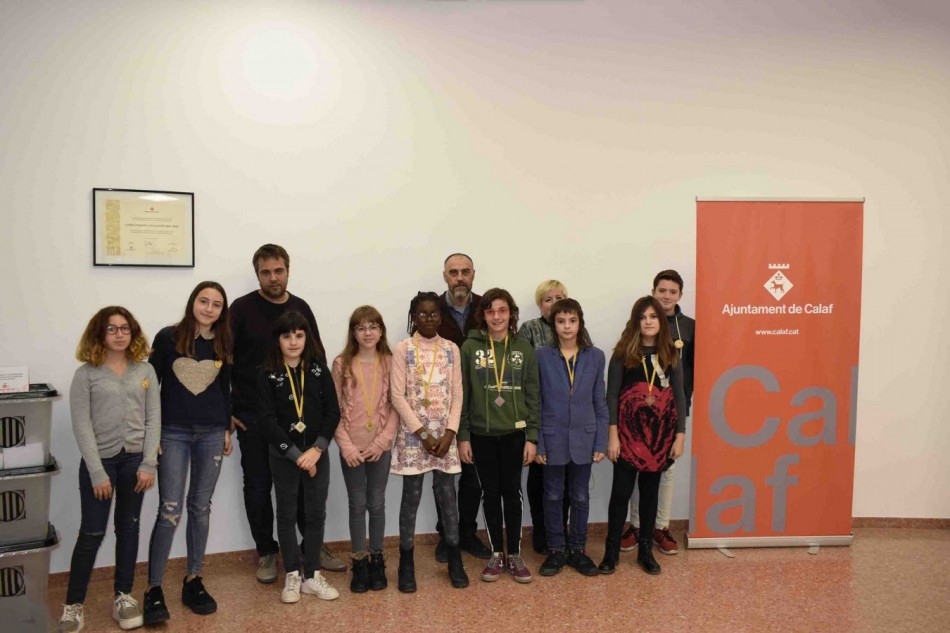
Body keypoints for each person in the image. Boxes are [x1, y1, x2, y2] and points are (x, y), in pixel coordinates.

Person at [229, 244, 345, 583]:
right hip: (254, 417)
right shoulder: (241, 309)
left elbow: (317, 357)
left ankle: (312, 547)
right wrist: (227, 408)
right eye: (265, 272)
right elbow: (223, 358)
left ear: (288, 271)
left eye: (278, 270)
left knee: (306, 487)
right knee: (258, 486)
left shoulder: (301, 308)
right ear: (257, 274)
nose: (273, 278)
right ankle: (267, 552)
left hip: (300, 419)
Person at [60, 306, 160, 633]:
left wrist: (148, 463)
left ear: (133, 333)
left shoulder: (145, 370)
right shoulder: (86, 374)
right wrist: (96, 472)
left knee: (128, 528)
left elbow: (153, 419)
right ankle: (73, 605)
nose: (119, 334)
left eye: (125, 328)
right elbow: (82, 425)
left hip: (135, 463)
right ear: (99, 334)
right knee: (91, 532)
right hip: (99, 464)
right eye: (111, 329)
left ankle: (123, 596)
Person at [142, 282, 233, 625]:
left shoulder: (224, 341)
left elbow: (225, 388)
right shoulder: (168, 337)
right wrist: (152, 434)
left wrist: (226, 428)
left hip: (211, 433)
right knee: (169, 510)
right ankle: (153, 588)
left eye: (216, 304)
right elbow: (149, 386)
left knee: (200, 507)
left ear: (222, 311)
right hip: (173, 433)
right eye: (203, 301)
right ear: (192, 302)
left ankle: (193, 579)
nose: (209, 308)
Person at [257, 311, 341, 604]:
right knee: (287, 514)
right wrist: (296, 456)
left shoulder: (318, 369)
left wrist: (317, 449)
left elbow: (333, 412)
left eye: (299, 335)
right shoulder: (267, 373)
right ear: (277, 340)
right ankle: (292, 573)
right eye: (286, 336)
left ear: (307, 338)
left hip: (317, 455)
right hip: (284, 457)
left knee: (316, 513)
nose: (293, 342)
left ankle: (312, 575)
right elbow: (266, 420)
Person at [599, 296, 687, 576]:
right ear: (635, 321)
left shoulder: (671, 354)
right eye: (643, 317)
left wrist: (680, 435)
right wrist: (613, 436)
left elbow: (679, 396)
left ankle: (645, 552)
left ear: (661, 321)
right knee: (620, 495)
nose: (648, 322)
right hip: (627, 436)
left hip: (659, 438)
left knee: (650, 496)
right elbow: (611, 396)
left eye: (653, 316)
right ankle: (611, 553)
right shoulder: (623, 354)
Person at [458, 288, 539, 584]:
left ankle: (514, 553)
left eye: (502, 311)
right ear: (483, 315)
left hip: (515, 433)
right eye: (490, 311)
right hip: (481, 434)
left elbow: (533, 394)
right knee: (490, 493)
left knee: (512, 493)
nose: (496, 317)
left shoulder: (524, 349)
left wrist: (532, 436)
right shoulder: (470, 348)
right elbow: (462, 394)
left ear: (511, 314)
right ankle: (496, 553)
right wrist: (463, 435)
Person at [389, 292, 469, 592]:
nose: (428, 319)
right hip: (415, 437)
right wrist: (422, 433)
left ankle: (455, 559)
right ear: (414, 317)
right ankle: (406, 563)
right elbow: (397, 395)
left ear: (441, 316)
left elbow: (458, 394)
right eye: (422, 314)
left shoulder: (450, 349)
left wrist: (450, 432)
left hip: (445, 437)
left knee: (448, 497)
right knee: (410, 498)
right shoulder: (403, 349)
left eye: (434, 313)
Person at [621, 270, 695, 555]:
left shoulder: (689, 327)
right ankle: (637, 525)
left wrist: (682, 406)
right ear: (653, 292)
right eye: (661, 290)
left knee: (667, 469)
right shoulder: (638, 323)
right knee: (638, 464)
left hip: (672, 411)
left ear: (680, 295)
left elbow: (692, 369)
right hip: (639, 413)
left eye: (672, 292)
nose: (666, 296)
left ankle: (660, 527)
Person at [517, 280, 592, 553]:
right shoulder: (529, 330)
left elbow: (586, 375)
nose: (553, 303)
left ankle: (566, 536)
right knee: (543, 487)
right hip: (544, 420)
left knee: (572, 488)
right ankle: (545, 535)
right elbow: (523, 373)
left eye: (559, 297)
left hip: (572, 427)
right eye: (548, 299)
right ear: (540, 304)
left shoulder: (581, 337)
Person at [535, 299, 607, 577]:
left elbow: (599, 402)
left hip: (584, 439)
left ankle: (577, 549)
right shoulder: (541, 356)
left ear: (580, 323)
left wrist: (600, 442)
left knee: (579, 496)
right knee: (552, 495)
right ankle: (556, 549)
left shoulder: (595, 356)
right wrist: (539, 443)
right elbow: (537, 403)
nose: (567, 326)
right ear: (553, 325)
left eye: (572, 321)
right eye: (561, 321)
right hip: (552, 438)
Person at [331, 306, 398, 593]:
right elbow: (332, 409)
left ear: (381, 331)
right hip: (352, 449)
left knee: (377, 503)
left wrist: (382, 441)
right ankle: (359, 560)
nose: (367, 332)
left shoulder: (391, 362)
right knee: (357, 504)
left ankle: (377, 558)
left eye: (373, 326)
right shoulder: (341, 363)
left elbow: (396, 406)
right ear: (353, 333)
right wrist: (346, 446)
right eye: (361, 327)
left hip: (380, 447)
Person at [434, 253, 491, 561]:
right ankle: (447, 536)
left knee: (473, 477)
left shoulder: (487, 308)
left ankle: (467, 533)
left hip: (479, 406)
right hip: (439, 408)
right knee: (443, 477)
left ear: (473, 274)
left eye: (465, 272)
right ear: (445, 276)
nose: (459, 278)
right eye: (453, 272)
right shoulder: (431, 309)